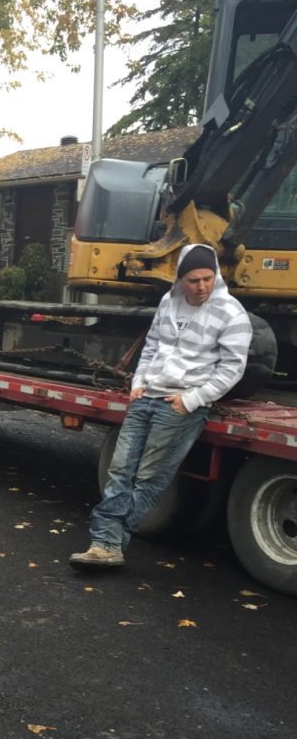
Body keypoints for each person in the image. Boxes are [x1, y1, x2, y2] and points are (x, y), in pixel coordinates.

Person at [69, 243, 253, 569]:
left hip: (181, 405)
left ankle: (107, 542)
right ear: (180, 278)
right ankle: (106, 544)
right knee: (119, 469)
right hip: (148, 396)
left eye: (207, 279)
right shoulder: (168, 302)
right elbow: (152, 345)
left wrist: (191, 400)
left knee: (150, 479)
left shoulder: (231, 313)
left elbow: (232, 369)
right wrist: (139, 383)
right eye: (193, 280)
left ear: (216, 276)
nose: (201, 287)